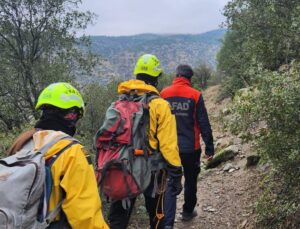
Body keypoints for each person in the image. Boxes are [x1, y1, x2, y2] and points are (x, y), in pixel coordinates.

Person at [7, 82, 109, 229]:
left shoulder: (23, 141)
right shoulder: (72, 151)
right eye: (77, 115)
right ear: (71, 115)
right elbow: (86, 217)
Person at [107, 54, 183, 229]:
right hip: (153, 170)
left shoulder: (119, 103)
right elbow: (168, 145)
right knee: (157, 215)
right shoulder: (160, 105)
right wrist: (177, 174)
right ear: (155, 77)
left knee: (118, 220)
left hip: (123, 166)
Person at [161, 64, 215, 222]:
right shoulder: (195, 95)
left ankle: (167, 221)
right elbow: (203, 123)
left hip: (169, 148)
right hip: (191, 149)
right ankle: (187, 212)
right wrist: (209, 149)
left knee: (170, 183)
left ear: (176, 76)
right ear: (190, 78)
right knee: (191, 180)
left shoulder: (164, 94)